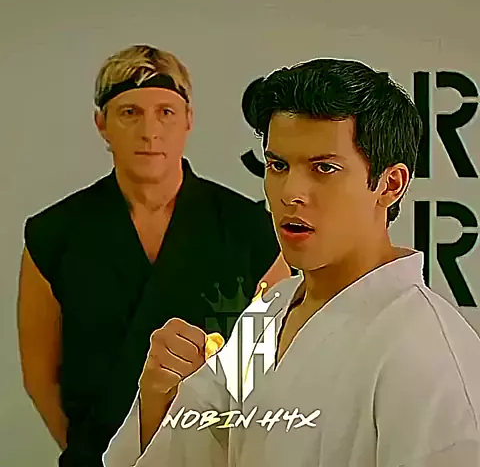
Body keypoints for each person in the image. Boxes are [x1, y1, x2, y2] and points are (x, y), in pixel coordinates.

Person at [103, 58, 480, 467]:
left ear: (390, 184)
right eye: (278, 166)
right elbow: (203, 450)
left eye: (324, 168)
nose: (290, 193)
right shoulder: (270, 311)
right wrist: (160, 398)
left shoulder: (428, 352)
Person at [16, 45, 291, 467]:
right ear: (102, 124)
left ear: (188, 120)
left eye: (166, 112)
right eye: (130, 112)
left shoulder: (252, 231)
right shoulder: (53, 233)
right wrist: (92, 451)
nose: (150, 131)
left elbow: (276, 368)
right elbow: (40, 376)